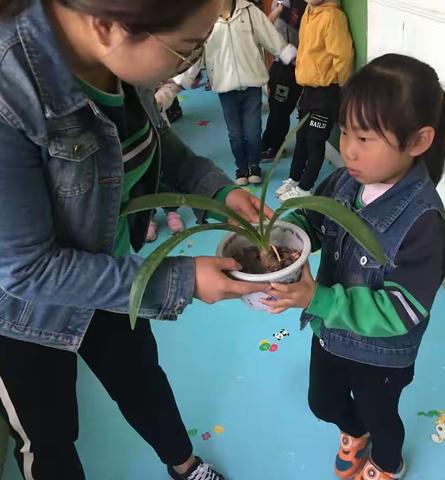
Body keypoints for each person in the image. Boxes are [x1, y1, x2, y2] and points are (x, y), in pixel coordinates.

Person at [0, 1, 273, 479]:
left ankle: (184, 464)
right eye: (186, 50)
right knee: (50, 437)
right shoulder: (10, 95)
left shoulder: (116, 59)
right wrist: (183, 280)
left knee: (143, 380)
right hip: (24, 315)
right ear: (107, 26)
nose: (189, 64)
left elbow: (149, 141)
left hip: (111, 276)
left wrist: (218, 190)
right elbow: (26, 269)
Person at [262, 54, 445, 479]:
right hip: (330, 334)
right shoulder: (347, 180)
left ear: (419, 141)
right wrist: (279, 237)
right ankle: (354, 432)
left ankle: (388, 462)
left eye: (365, 138)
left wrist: (319, 298)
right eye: (345, 130)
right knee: (322, 402)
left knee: (382, 416)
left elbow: (402, 310)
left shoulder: (424, 224)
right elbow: (311, 218)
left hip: (381, 356)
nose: (347, 147)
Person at [175, 0, 297, 186]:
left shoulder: (249, 12)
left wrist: (290, 56)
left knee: (253, 130)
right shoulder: (205, 18)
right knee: (235, 133)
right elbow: (197, 53)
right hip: (226, 86)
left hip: (252, 82)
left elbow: (271, 37)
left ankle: (254, 166)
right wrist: (181, 81)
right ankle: (241, 167)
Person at [276, 0, 353, 202]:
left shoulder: (332, 17)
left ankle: (305, 186)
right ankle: (294, 178)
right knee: (301, 135)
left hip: (326, 92)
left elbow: (343, 57)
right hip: (308, 90)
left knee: (315, 140)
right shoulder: (309, 12)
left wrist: (342, 88)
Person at [261, 0, 306, 161]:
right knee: (275, 106)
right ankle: (267, 140)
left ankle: (276, 146)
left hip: (293, 63)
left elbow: (295, 24)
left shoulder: (302, 5)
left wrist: (281, 10)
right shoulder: (279, 2)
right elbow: (266, 26)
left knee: (281, 109)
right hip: (279, 60)